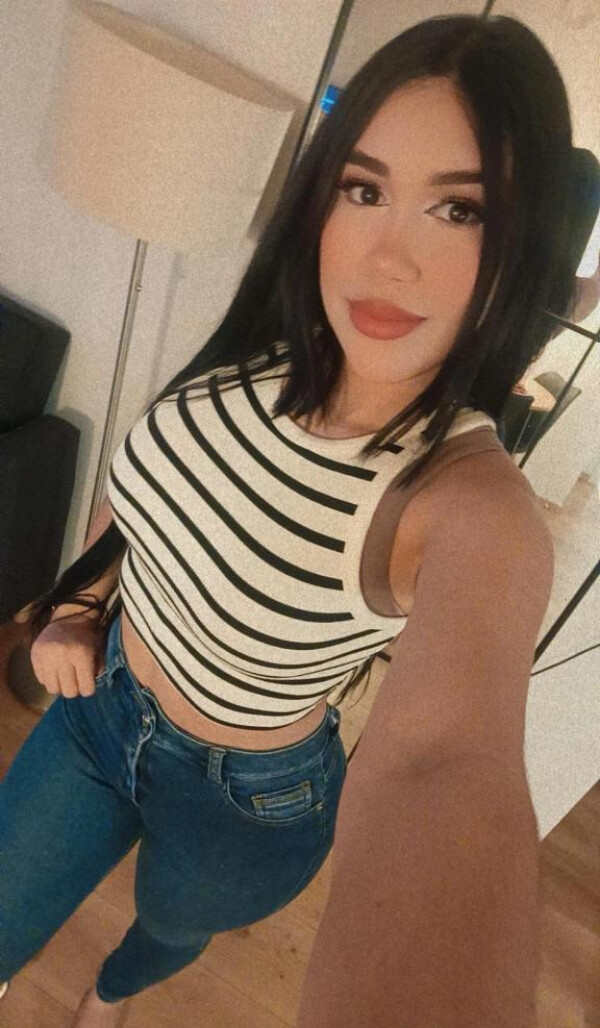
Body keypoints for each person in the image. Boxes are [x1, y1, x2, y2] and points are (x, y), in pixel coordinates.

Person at [0, 13, 579, 1028]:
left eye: (459, 210)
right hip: (100, 706)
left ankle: (110, 995)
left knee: (166, 932)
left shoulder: (467, 502)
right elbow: (144, 498)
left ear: (519, 244)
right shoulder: (256, 352)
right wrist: (79, 609)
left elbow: (444, 764)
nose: (388, 257)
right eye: (365, 189)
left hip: (244, 800)